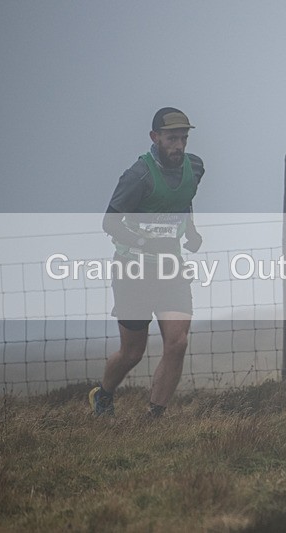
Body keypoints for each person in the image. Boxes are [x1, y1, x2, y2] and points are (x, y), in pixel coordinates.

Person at [89, 107, 204, 418]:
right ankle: (103, 394)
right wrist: (143, 243)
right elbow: (110, 223)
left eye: (183, 138)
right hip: (133, 271)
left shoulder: (194, 167)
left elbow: (185, 197)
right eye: (171, 138)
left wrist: (190, 231)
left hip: (172, 269)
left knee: (177, 343)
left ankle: (154, 416)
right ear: (155, 138)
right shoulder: (137, 176)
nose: (178, 145)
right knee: (132, 352)